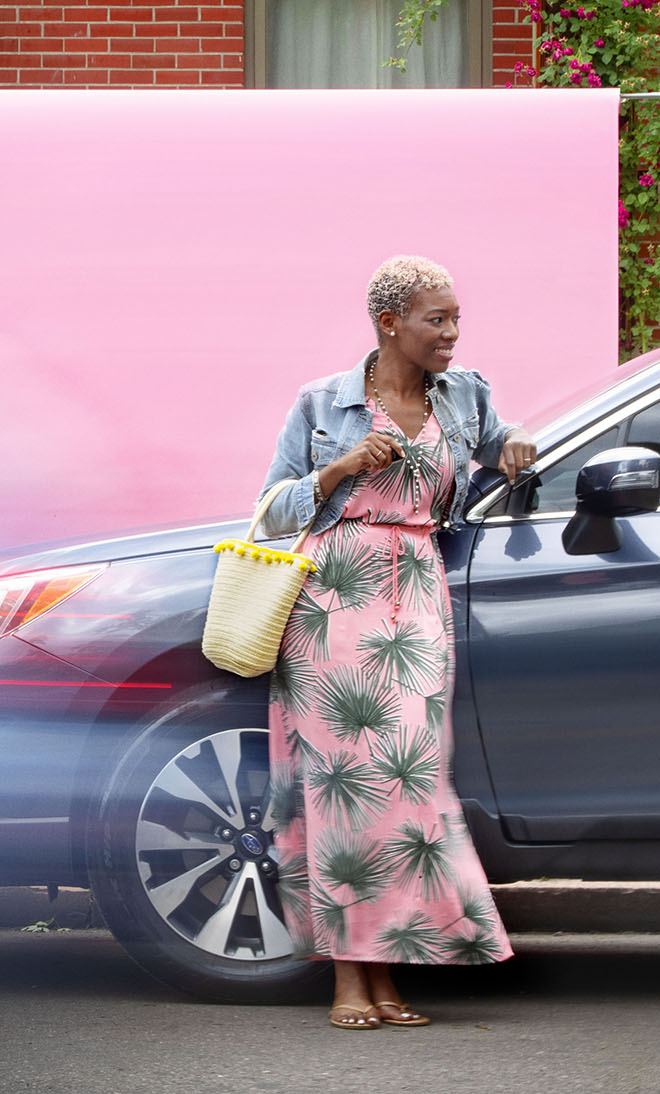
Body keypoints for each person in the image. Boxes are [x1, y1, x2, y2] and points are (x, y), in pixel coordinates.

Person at [255, 254, 536, 1029]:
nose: (451, 332)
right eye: (435, 320)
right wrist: (338, 468)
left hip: (415, 595)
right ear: (390, 324)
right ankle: (356, 979)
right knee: (345, 790)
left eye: (454, 319)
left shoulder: (465, 393)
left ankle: (392, 961)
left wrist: (515, 444)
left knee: (408, 786)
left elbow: (492, 446)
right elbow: (271, 509)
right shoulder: (324, 403)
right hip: (333, 596)